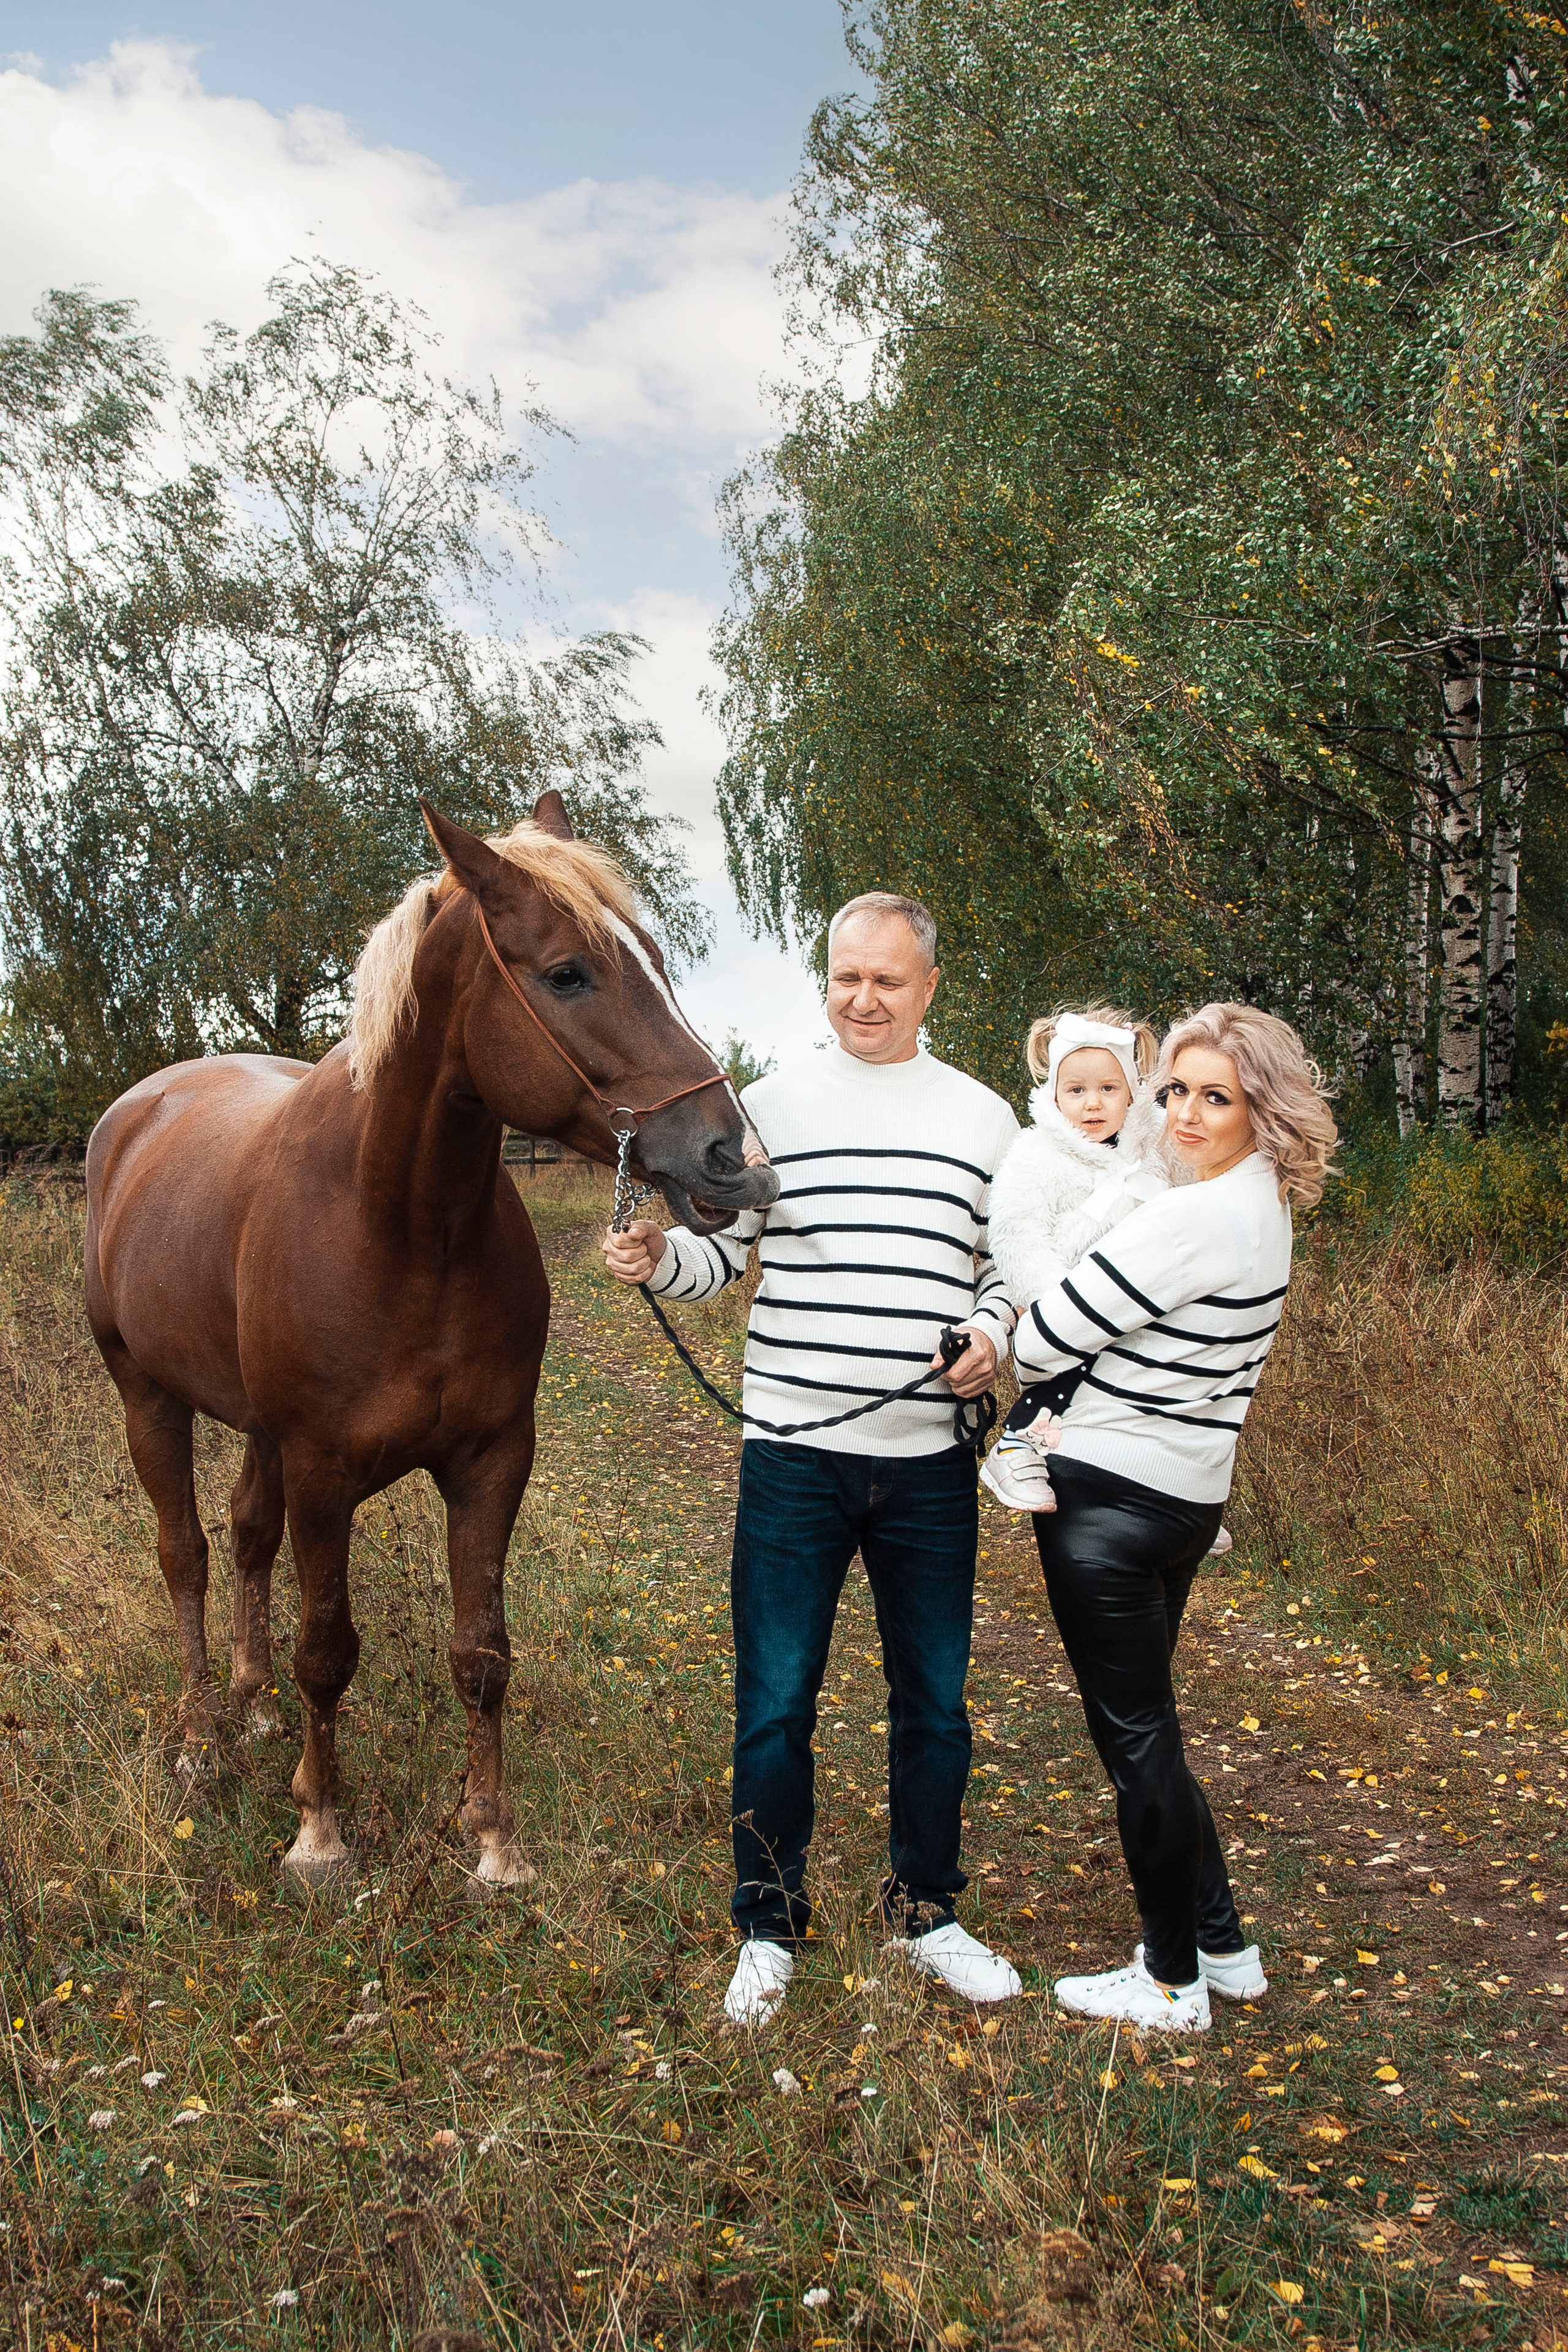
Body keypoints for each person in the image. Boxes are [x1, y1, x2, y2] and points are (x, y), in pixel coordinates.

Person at [603, 892, 1022, 2023]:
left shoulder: (986, 1119)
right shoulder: (768, 1111)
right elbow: (724, 1259)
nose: (864, 999)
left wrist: (993, 1336)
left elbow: (1006, 1269)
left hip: (927, 1465)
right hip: (793, 1461)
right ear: (825, 979)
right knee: (776, 1700)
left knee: (934, 1705)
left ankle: (927, 1913)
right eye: (847, 977)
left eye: (887, 979)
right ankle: (769, 1924)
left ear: (929, 988)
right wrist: (659, 1258)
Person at [1009, 1003, 1336, 2032]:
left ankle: (1168, 1980)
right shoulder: (1261, 1207)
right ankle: (1224, 1948)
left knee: (1136, 1743)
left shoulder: (1187, 1219)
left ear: (1261, 1109)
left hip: (1110, 1497)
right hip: (1189, 1496)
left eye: (1216, 1098)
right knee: (1152, 1730)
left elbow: (1042, 1340)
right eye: (1176, 1091)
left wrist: (1028, 1317)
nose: (1186, 1115)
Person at [981, 1005, 1166, 1514]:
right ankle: (1017, 1442)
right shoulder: (1036, 1153)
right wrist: (1056, 1302)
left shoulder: (1154, 1148)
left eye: (1109, 1088)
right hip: (1069, 1293)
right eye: (1077, 1090)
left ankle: (1172, 1489)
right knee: (1071, 1371)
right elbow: (1016, 1232)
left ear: (1132, 1092)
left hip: (1144, 1300)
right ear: (1056, 1094)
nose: (1093, 1103)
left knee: (1155, 1386)